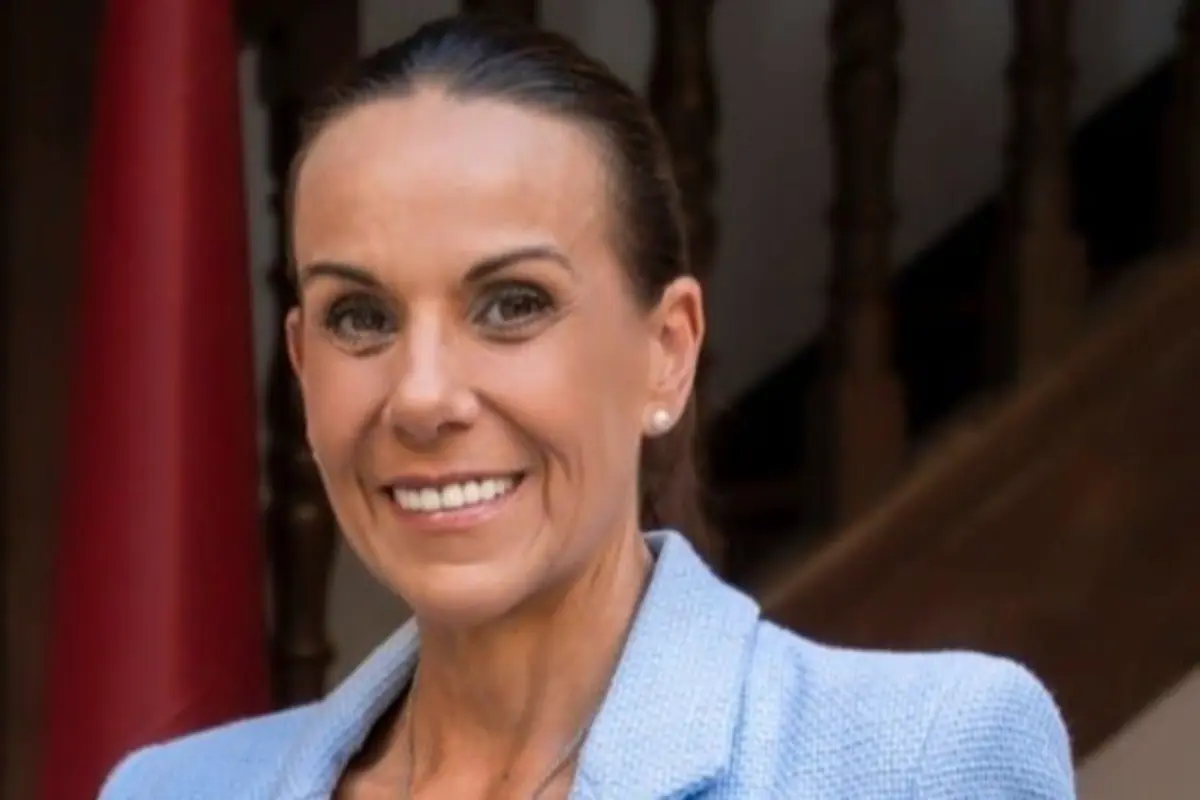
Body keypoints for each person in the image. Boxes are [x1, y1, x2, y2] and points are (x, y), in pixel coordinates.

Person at [100, 14, 1074, 799]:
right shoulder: (171, 790)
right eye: (361, 316)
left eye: (511, 304)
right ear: (302, 364)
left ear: (667, 352)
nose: (423, 395)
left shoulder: (924, 760)